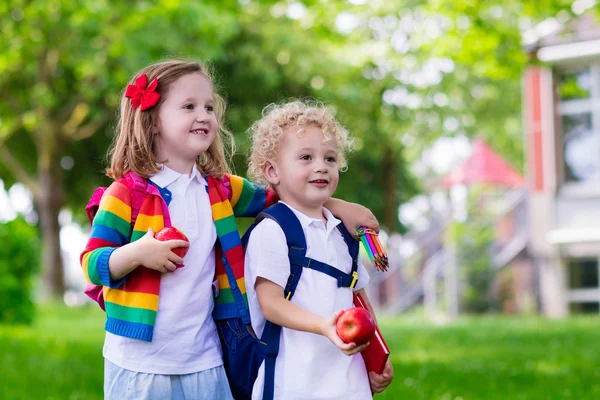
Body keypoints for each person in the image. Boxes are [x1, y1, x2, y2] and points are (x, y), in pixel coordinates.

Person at [80, 60, 380, 400]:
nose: (204, 115)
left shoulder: (219, 189)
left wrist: (336, 206)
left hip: (205, 359)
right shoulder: (126, 194)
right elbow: (92, 264)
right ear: (153, 122)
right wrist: (137, 253)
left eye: (209, 106)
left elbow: (283, 193)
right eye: (189, 106)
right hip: (138, 363)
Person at [245, 100, 394, 400]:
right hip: (293, 384)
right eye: (305, 157)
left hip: (349, 385)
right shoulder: (273, 230)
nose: (321, 167)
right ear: (272, 171)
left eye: (330, 158)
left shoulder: (342, 232)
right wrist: (324, 326)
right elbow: (270, 304)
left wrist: (377, 353)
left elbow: (358, 298)